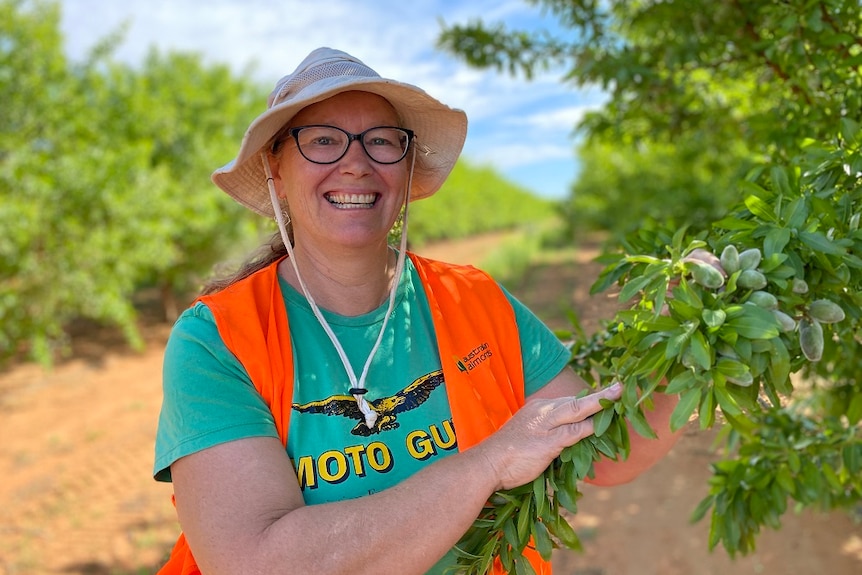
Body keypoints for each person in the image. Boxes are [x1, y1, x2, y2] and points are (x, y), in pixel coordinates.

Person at [153, 47, 688, 575]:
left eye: (382, 142)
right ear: (276, 167)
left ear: (406, 169)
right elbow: (258, 561)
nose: (356, 163)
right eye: (322, 141)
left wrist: (691, 348)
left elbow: (607, 451)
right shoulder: (219, 340)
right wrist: (489, 462)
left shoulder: (475, 301)